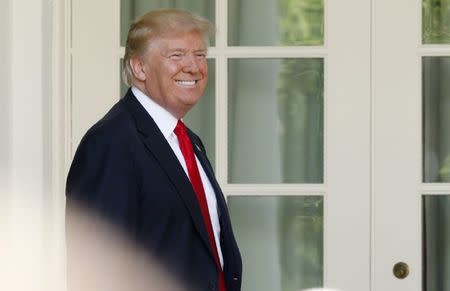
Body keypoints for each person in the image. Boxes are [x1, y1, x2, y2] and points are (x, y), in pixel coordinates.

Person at [65, 8, 242, 291]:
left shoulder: (188, 141)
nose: (194, 67)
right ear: (139, 68)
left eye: (199, 55)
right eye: (177, 55)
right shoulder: (110, 143)